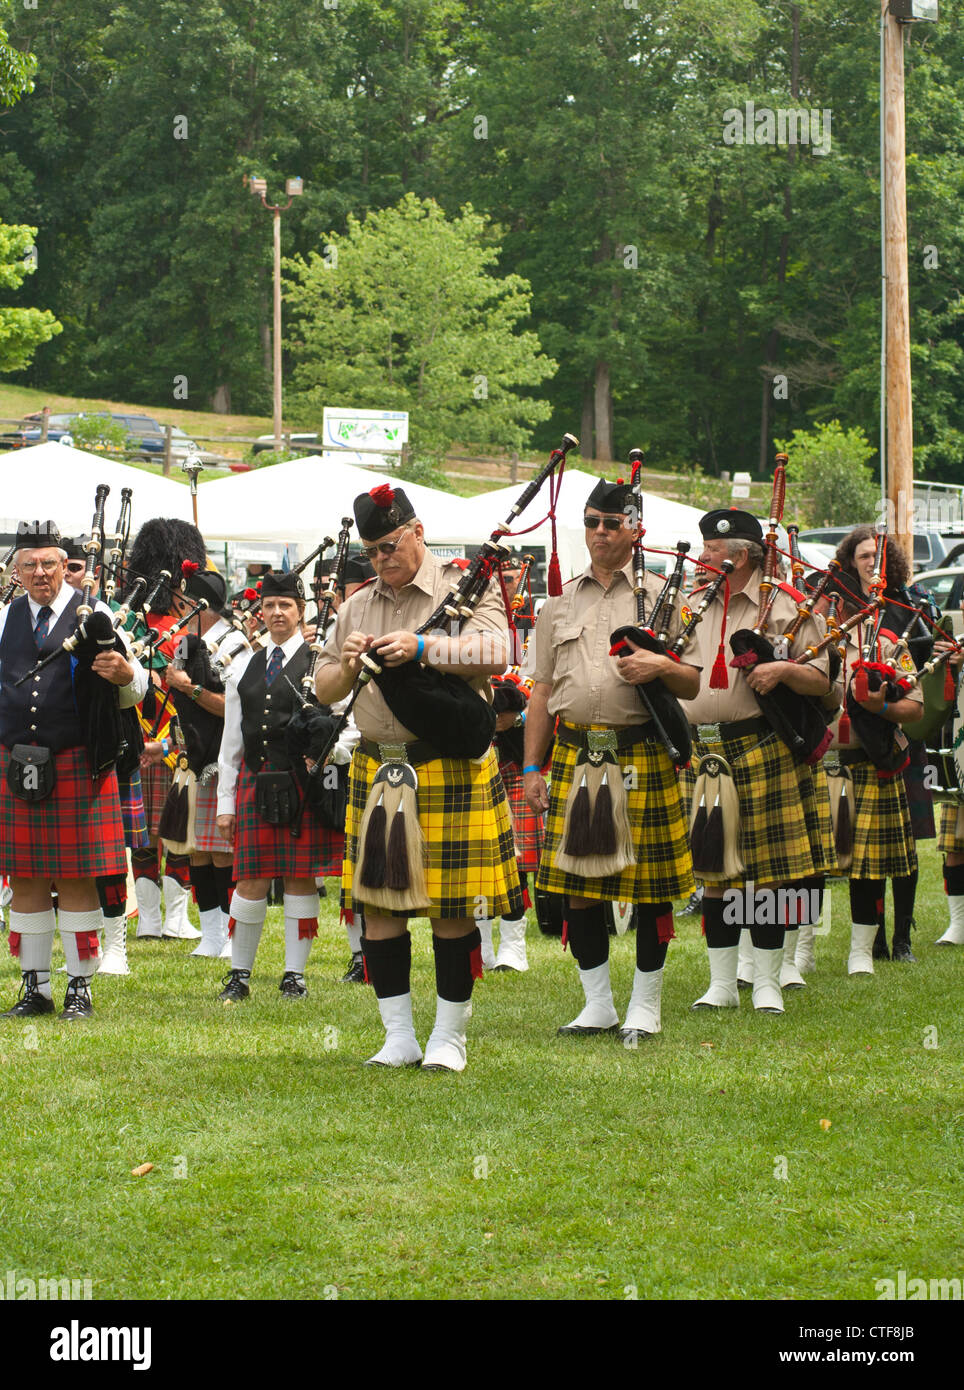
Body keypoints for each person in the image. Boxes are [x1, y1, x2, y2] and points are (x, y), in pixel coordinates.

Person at [315, 484, 522, 1071]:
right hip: (377, 766)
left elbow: (497, 653)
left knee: (452, 906)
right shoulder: (356, 605)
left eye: (390, 545)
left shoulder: (463, 587)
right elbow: (325, 689)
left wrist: (424, 646)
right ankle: (399, 1036)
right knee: (379, 905)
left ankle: (449, 1039)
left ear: (417, 531)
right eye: (372, 550)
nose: (382, 558)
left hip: (446, 763)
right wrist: (351, 663)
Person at [524, 479, 698, 1039]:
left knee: (650, 887)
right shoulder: (558, 603)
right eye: (592, 521)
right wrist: (531, 767)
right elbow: (541, 693)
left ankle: (646, 1004)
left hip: (640, 751)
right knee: (576, 884)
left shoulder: (665, 598)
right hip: (575, 751)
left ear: (634, 528)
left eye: (612, 522)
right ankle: (597, 1003)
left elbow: (694, 683)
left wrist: (659, 667)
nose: (600, 532)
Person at [679, 509, 833, 1015]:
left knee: (769, 875)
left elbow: (826, 685)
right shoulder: (691, 605)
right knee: (717, 872)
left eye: (712, 552)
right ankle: (722, 984)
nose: (702, 560)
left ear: (741, 556)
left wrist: (785, 669)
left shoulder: (785, 607)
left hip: (761, 746)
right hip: (705, 752)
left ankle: (767, 981)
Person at [0, 520, 148, 1020]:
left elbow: (138, 687)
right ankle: (35, 988)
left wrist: (126, 673)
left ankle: (79, 988)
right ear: (16, 571)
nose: (40, 573)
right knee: (25, 879)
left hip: (78, 761)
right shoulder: (3, 618)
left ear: (66, 566)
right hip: (15, 762)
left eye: (49, 563)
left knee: (77, 876)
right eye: (30, 565)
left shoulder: (96, 613)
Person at [216, 570, 351, 1002]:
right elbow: (231, 738)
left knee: (299, 878)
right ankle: (239, 975)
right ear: (259, 613)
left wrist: (330, 752)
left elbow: (351, 722)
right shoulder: (243, 665)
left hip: (302, 784)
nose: (277, 613)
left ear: (301, 611)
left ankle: (294, 975)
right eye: (269, 606)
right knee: (249, 880)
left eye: (285, 606)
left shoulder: (320, 662)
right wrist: (225, 801)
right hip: (257, 781)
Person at [830, 527, 935, 963]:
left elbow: (931, 661)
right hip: (853, 744)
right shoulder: (842, 612)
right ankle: (871, 937)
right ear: (851, 562)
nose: (872, 561)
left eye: (878, 555)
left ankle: (903, 938)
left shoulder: (908, 607)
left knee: (903, 844)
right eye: (863, 555)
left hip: (900, 738)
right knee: (860, 847)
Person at [815, 580, 922, 976]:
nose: (832, 605)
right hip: (818, 764)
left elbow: (915, 708)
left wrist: (880, 707)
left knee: (868, 864)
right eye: (829, 598)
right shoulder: (808, 641)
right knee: (810, 867)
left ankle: (868, 949)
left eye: (838, 599)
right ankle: (799, 952)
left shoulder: (888, 644)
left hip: (868, 762)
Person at [61, 536, 149, 975]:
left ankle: (116, 948)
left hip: (104, 751)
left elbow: (139, 690)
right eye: (69, 567)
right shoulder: (24, 618)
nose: (73, 574)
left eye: (77, 566)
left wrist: (126, 673)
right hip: (48, 753)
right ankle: (82, 949)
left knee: (109, 856)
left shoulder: (108, 617)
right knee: (65, 858)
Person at [142, 562, 234, 959]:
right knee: (196, 849)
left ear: (200, 603)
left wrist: (190, 688)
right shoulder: (182, 641)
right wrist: (163, 749)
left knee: (221, 851)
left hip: (222, 760)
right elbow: (182, 715)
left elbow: (234, 709)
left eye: (184, 600)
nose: (178, 606)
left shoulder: (234, 643)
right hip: (191, 761)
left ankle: (228, 937)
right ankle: (211, 935)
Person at [125, 519, 208, 943]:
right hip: (172, 740)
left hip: (139, 741)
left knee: (145, 833)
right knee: (176, 830)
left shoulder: (129, 624)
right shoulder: (182, 630)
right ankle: (170, 919)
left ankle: (153, 921)